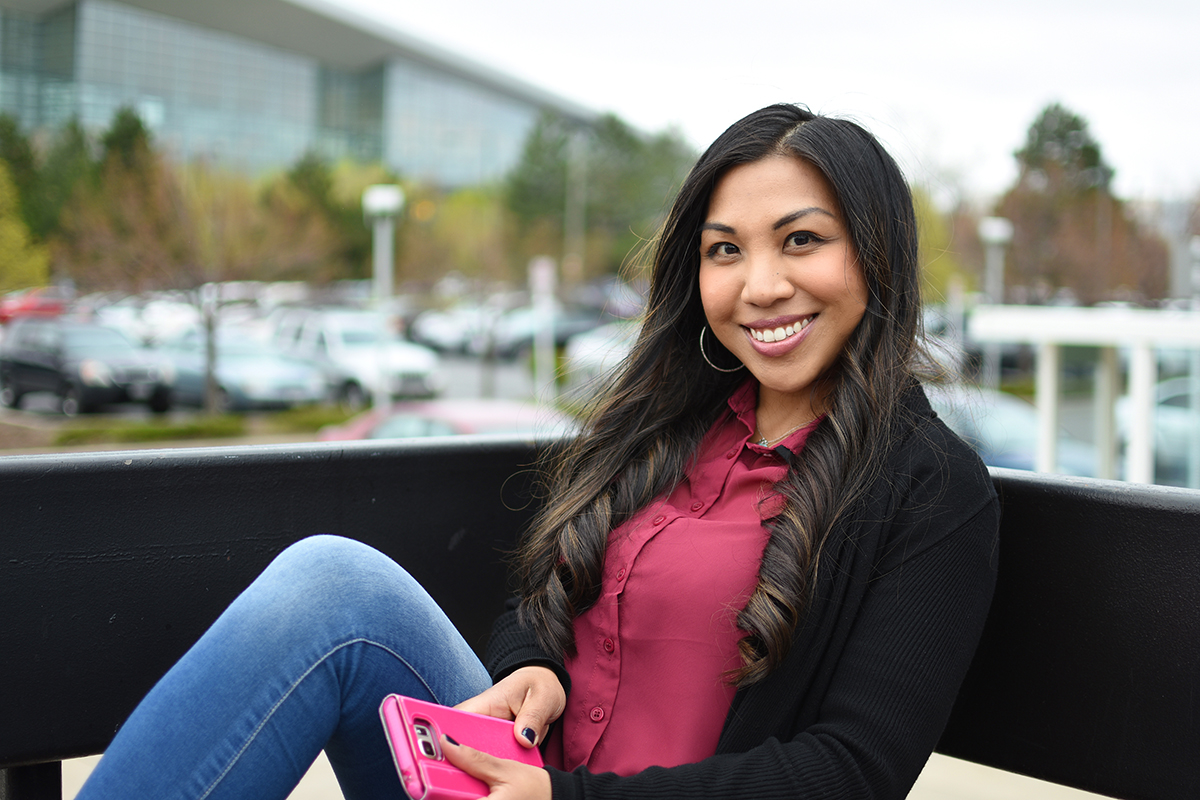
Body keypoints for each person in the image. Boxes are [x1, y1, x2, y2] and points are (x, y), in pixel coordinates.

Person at [77, 103, 999, 800]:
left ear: (876, 256)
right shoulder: (671, 425)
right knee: (335, 591)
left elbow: (849, 773)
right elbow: (548, 601)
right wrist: (534, 669)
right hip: (512, 780)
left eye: (801, 241)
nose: (760, 285)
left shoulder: (928, 488)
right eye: (726, 251)